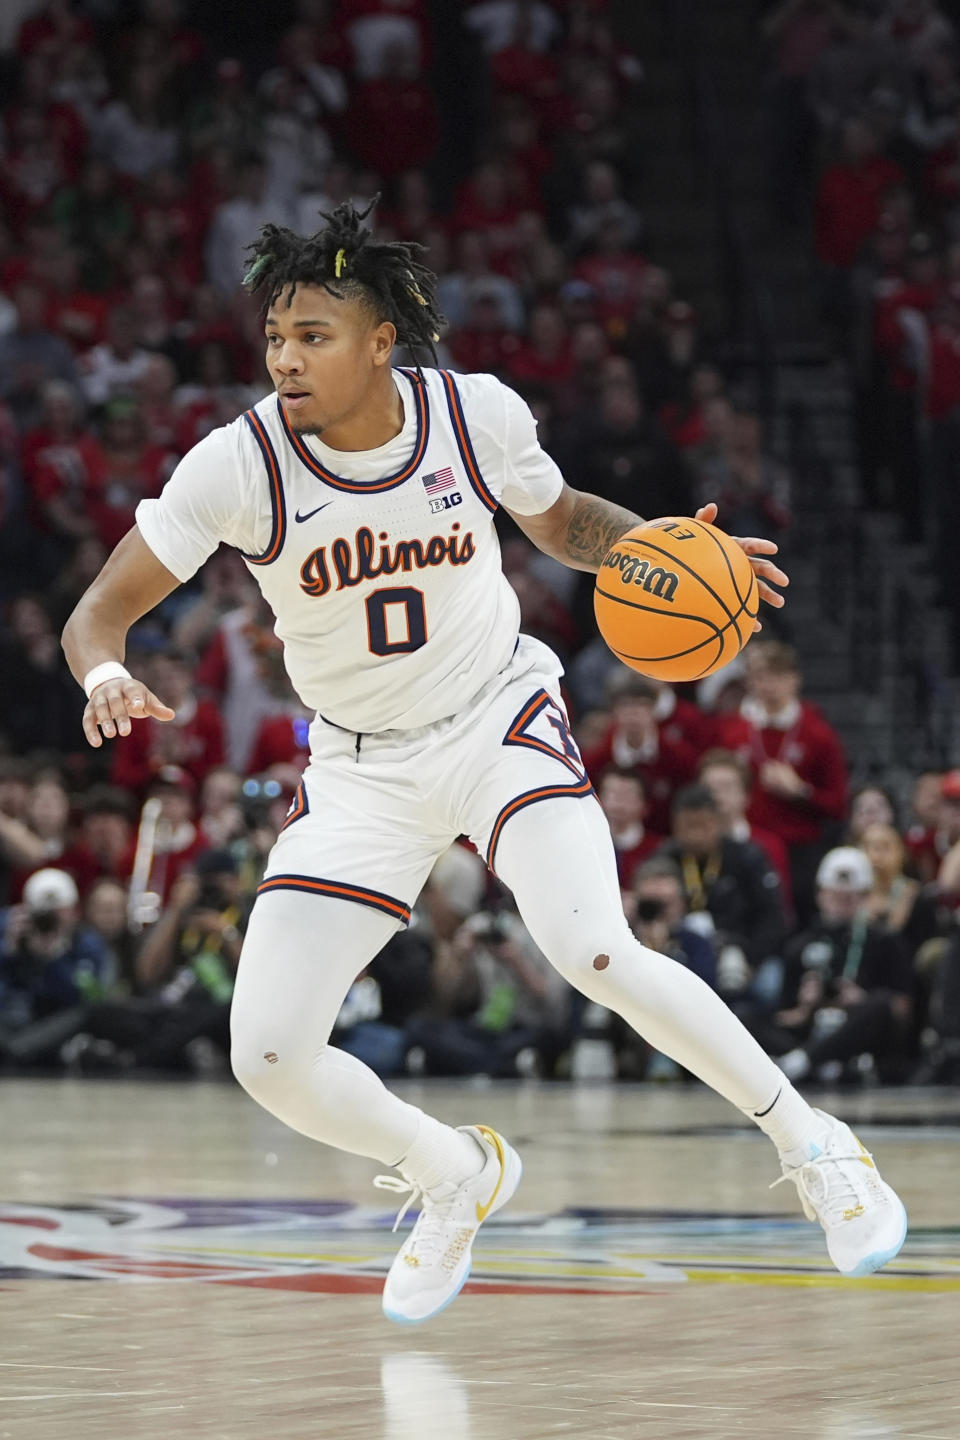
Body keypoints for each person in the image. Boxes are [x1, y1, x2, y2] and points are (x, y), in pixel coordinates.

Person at [61, 198, 906, 1326]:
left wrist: (657, 544)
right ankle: (451, 1169)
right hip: (359, 768)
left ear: (378, 344)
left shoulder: (475, 417)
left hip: (494, 714)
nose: (286, 357)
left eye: (313, 334)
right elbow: (94, 616)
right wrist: (100, 674)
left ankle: (817, 1143)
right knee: (266, 1053)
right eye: (274, 336)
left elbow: (559, 525)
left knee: (592, 947)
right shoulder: (238, 463)